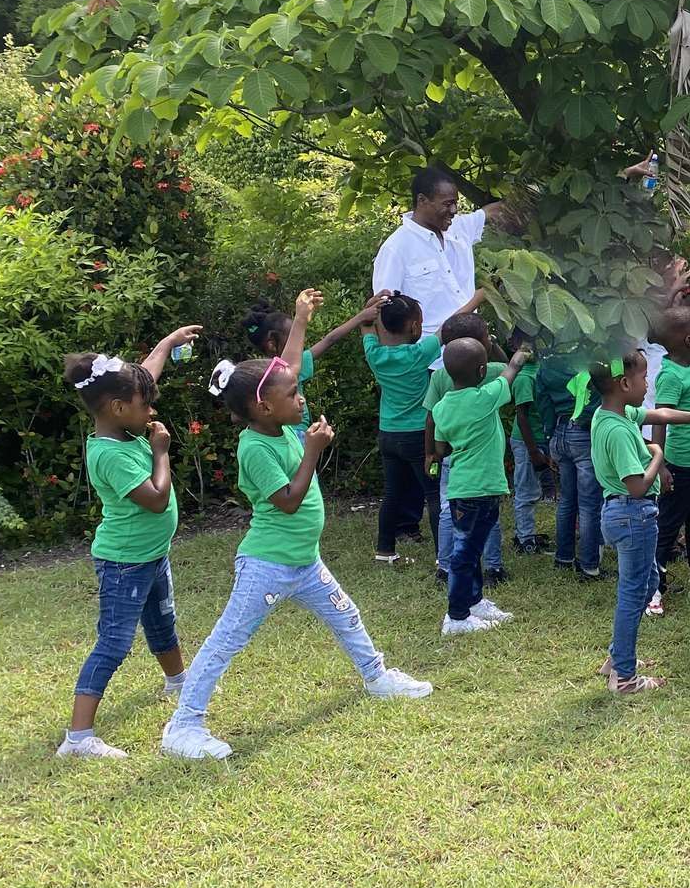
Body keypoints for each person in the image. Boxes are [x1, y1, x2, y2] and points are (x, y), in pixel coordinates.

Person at [162, 358, 432, 760]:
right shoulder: (254, 447)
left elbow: (286, 363)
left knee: (347, 616)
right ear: (264, 407)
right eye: (291, 394)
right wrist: (312, 451)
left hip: (305, 562)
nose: (300, 397)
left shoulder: (283, 427)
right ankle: (183, 727)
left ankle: (376, 677)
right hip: (267, 566)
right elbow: (288, 501)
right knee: (226, 641)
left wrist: (302, 319)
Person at [57, 324, 202, 759]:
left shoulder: (122, 427)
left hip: (150, 555)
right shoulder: (112, 453)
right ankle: (78, 738)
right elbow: (156, 500)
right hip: (124, 563)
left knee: (162, 621)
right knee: (114, 643)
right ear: (119, 408)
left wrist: (167, 344)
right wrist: (161, 451)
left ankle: (178, 682)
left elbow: (145, 379)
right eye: (145, 404)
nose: (152, 407)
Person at [590, 349, 690, 692]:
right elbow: (636, 487)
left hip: (624, 515)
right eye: (644, 378)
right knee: (634, 591)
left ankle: (618, 657)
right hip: (632, 514)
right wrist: (659, 456)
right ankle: (625, 678)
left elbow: (660, 413)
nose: (647, 383)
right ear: (623, 383)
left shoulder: (612, 413)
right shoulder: (617, 430)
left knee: (647, 582)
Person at [431, 336, 533, 638]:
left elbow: (441, 447)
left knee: (470, 548)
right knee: (465, 554)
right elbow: (511, 371)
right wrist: (522, 352)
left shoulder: (441, 407)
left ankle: (474, 602)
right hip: (481, 489)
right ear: (480, 372)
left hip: (462, 487)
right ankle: (457, 617)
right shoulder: (486, 397)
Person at [371, 163, 517, 336]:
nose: (454, 210)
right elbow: (384, 313)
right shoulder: (396, 248)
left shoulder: (458, 228)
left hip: (472, 348)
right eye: (447, 204)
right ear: (422, 200)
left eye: (455, 203)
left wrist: (526, 199)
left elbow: (490, 212)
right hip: (430, 358)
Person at [422, 312, 505, 584]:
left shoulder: (440, 376)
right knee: (488, 516)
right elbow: (510, 370)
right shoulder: (490, 372)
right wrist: (494, 348)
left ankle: (445, 566)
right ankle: (493, 567)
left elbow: (431, 416)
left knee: (449, 511)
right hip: (484, 465)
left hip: (453, 459)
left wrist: (430, 453)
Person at [361, 292, 440, 563]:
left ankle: (385, 551)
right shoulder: (418, 354)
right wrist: (480, 296)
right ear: (415, 327)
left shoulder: (375, 354)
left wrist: (372, 306)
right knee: (434, 494)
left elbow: (365, 324)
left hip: (388, 435)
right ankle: (444, 556)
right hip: (419, 436)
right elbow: (448, 328)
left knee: (392, 494)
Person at [651, 304, 690, 609]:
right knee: (667, 525)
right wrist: (660, 463)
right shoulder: (672, 375)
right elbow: (661, 417)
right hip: (679, 464)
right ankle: (654, 587)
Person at [242, 288, 368, 430]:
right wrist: (361, 317)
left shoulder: (254, 375)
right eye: (293, 336)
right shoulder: (283, 371)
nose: (300, 340)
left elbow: (330, 340)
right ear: (272, 344)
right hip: (293, 436)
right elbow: (329, 340)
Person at [541, 351, 603, 581]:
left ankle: (564, 556)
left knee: (567, 499)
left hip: (559, 431)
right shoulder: (589, 359)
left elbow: (543, 401)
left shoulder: (548, 364)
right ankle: (589, 566)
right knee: (589, 504)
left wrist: (549, 436)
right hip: (583, 433)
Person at [506, 334, 547, 556]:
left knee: (533, 487)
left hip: (541, 437)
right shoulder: (524, 379)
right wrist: (533, 451)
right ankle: (525, 538)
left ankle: (527, 534)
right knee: (526, 490)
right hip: (526, 441)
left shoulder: (541, 370)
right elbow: (521, 416)